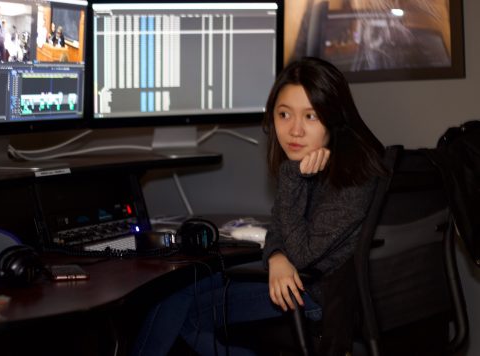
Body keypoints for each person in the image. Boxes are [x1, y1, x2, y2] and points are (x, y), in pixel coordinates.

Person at [131, 57, 388, 356]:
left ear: (335, 117)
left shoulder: (355, 174)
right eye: (284, 114)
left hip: (318, 293)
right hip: (301, 281)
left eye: (311, 116)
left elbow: (304, 254)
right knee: (178, 288)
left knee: (179, 306)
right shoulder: (310, 163)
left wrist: (292, 179)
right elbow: (279, 229)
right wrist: (277, 256)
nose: (294, 131)